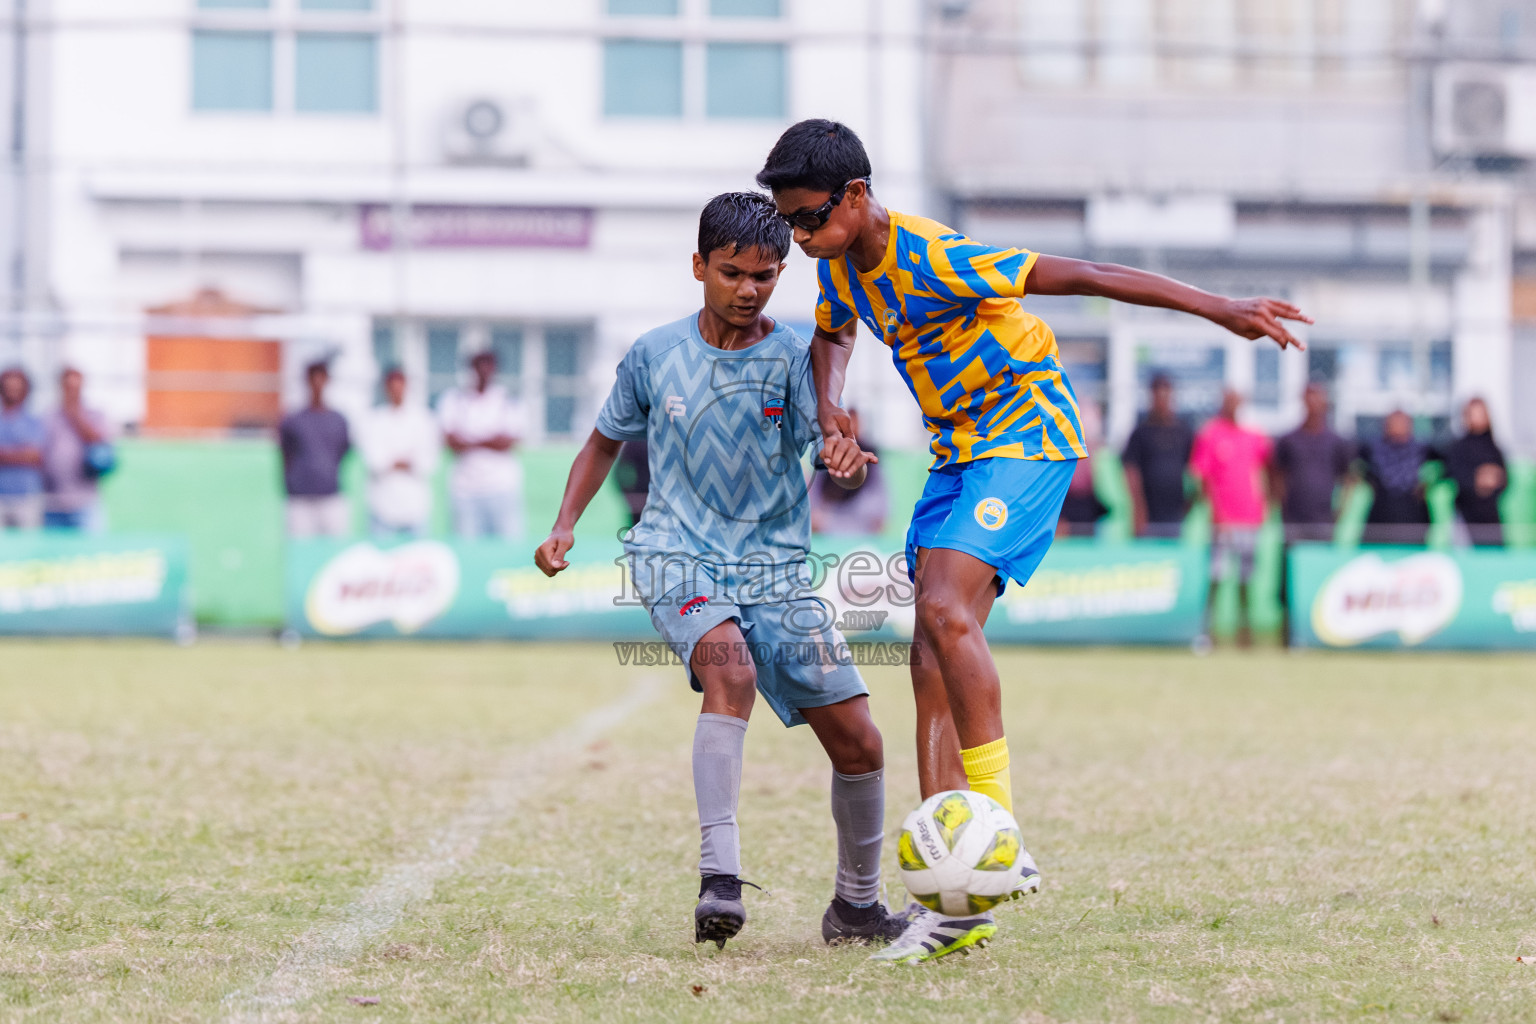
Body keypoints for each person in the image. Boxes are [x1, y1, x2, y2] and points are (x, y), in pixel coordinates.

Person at [760, 118, 1308, 962]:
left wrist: (1219, 308)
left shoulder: (935, 255)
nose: (797, 239)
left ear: (857, 196)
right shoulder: (841, 265)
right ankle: (957, 901)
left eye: (806, 219)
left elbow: (1085, 273)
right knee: (927, 656)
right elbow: (833, 335)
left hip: (1026, 435)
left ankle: (998, 830)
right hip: (958, 454)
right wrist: (832, 411)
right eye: (788, 222)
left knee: (946, 608)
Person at [534, 193, 903, 951]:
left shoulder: (796, 358)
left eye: (765, 276)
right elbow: (603, 442)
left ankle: (857, 910)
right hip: (674, 552)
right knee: (729, 671)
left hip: (776, 574)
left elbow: (835, 439)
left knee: (861, 743)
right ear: (699, 265)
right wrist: (566, 522)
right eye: (732, 272)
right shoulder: (653, 355)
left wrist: (840, 456)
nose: (748, 290)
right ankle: (720, 880)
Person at [1190, 389, 1273, 648]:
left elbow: (1269, 468)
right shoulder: (1211, 434)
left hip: (1249, 518)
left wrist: (1265, 504)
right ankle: (1206, 631)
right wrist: (1216, 513)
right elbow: (1202, 477)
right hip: (1222, 521)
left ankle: (1245, 632)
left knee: (1246, 580)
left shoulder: (1253, 435)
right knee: (1216, 576)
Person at [438, 351, 526, 540]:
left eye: (489, 366)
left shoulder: (507, 400)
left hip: (502, 486)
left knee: (507, 546)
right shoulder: (455, 400)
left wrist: (471, 439)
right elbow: (451, 441)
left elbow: (507, 442)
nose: (484, 371)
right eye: (479, 366)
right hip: (465, 489)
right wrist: (488, 439)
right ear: (471, 369)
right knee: (467, 548)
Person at [357, 366, 440, 539]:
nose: (396, 391)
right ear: (386, 388)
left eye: (400, 385)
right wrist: (404, 461)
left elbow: (428, 461)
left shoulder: (422, 419)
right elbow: (374, 461)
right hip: (383, 505)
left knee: (418, 558)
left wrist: (397, 461)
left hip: (415, 506)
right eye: (392, 386)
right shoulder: (374, 420)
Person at [1273, 382, 1354, 543]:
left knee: (1320, 564)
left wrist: (1340, 511)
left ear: (1325, 403)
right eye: (1310, 398)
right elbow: (1276, 475)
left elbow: (1348, 479)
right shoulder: (1288, 440)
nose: (1314, 404)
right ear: (1303, 401)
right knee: (1291, 565)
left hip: (1324, 519)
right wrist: (1281, 507)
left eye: (1318, 398)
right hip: (1293, 519)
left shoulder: (1336, 442)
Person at [279, 359, 352, 539]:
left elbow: (343, 451)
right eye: (314, 379)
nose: (317, 384)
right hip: (300, 499)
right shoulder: (293, 420)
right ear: (307, 381)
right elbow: (285, 454)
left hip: (330, 497)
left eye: (321, 379)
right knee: (301, 551)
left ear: (327, 381)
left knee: (334, 553)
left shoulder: (339, 420)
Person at [1121, 373, 1194, 538]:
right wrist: (1139, 509)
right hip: (1148, 516)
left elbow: (1196, 470)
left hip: (1175, 514)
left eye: (1165, 395)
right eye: (1158, 395)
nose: (1162, 400)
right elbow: (1131, 472)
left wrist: (1191, 502)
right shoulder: (1141, 432)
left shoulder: (1183, 432)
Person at [41, 367, 113, 532]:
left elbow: (100, 443)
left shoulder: (95, 414)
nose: (71, 390)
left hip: (85, 502)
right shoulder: (49, 415)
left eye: (75, 385)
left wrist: (75, 415)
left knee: (91, 554)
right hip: (53, 502)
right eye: (67, 385)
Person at [1360, 410, 1436, 546]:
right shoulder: (1370, 450)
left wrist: (1427, 485)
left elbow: (1447, 469)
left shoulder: (1423, 450)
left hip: (1413, 518)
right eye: (1393, 423)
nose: (1397, 426)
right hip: (1381, 518)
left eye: (1402, 423)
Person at [809, 408, 888, 536]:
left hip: (860, 521)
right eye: (847, 425)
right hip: (830, 520)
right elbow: (815, 495)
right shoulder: (827, 452)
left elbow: (879, 504)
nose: (852, 428)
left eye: (855, 424)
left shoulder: (871, 456)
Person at [1445, 397, 1506, 547]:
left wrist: (1495, 479)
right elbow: (1454, 476)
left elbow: (1504, 480)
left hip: (1490, 516)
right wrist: (1478, 479)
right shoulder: (1458, 447)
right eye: (1473, 413)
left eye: (1481, 413)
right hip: (1466, 514)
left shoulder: (1494, 448)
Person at [0, 367, 46, 530]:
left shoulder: (34, 421)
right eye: (8, 387)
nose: (12, 391)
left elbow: (35, 456)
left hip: (27, 498)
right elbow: (28, 455)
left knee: (28, 550)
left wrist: (4, 455)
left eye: (17, 387)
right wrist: (20, 454)